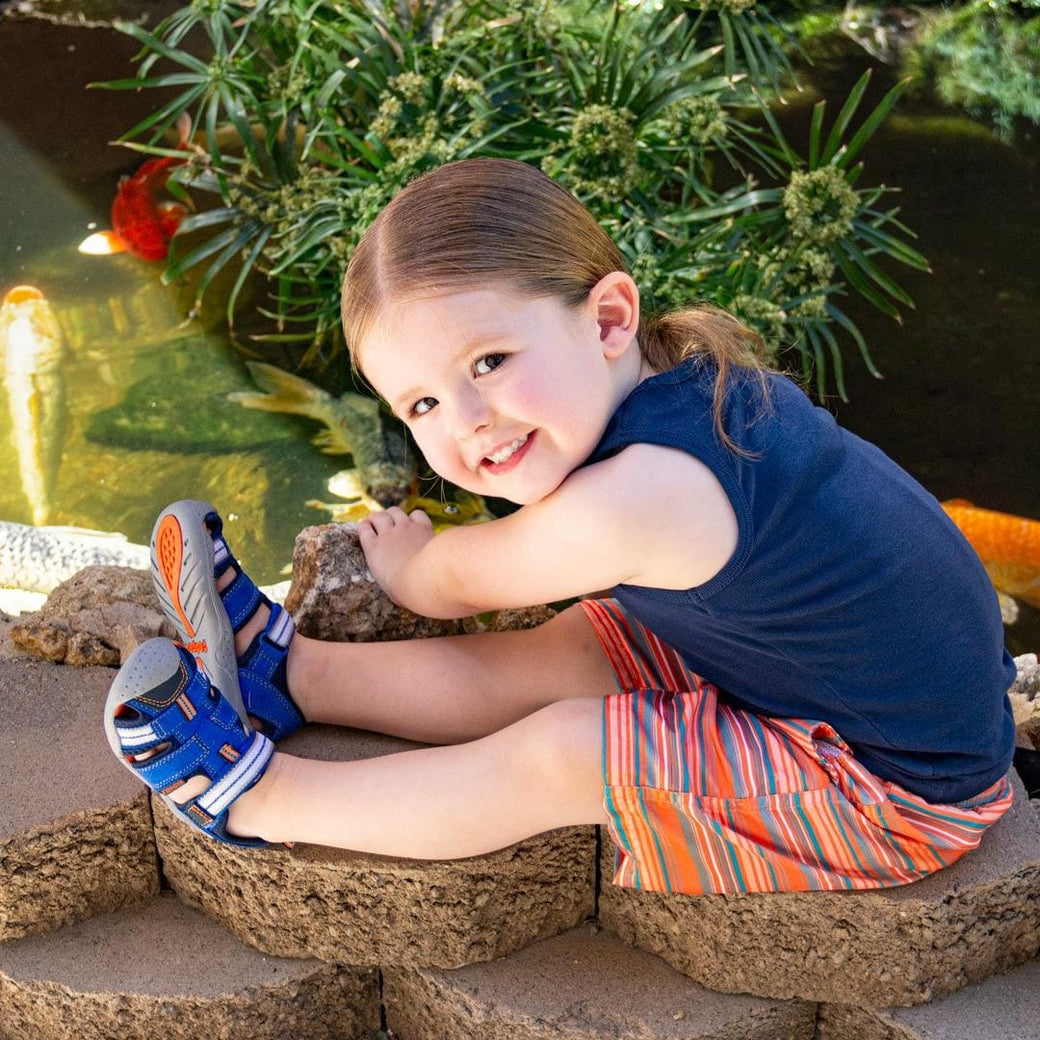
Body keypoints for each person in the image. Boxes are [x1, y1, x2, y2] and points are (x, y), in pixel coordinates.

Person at [104, 158, 1016, 895]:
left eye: (490, 360)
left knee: (568, 751)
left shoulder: (637, 499)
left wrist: (413, 564)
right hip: (817, 683)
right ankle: (293, 675)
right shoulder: (690, 388)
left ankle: (257, 797)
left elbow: (457, 581)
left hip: (891, 790)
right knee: (587, 645)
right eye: (422, 401)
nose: (467, 421)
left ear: (610, 318)